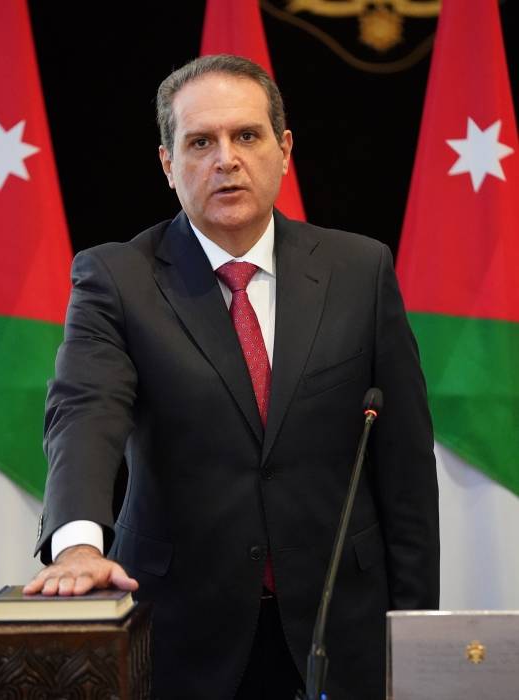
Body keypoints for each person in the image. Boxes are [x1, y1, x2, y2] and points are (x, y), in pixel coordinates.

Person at [25, 54, 439, 700]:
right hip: (182, 634)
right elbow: (85, 412)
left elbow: (405, 468)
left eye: (247, 135)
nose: (227, 159)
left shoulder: (360, 271)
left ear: (284, 150)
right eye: (200, 142)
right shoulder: (117, 279)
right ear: (167, 164)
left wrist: (414, 641)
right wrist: (78, 543)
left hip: (342, 629)